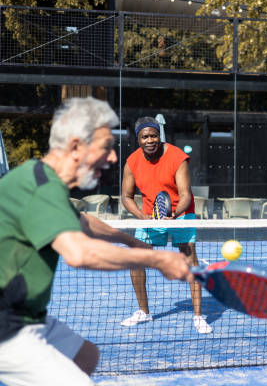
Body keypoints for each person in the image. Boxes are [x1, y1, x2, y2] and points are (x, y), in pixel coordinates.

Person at [0, 97, 194, 385]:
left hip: (29, 315)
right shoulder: (37, 185)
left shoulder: (44, 179)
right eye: (105, 147)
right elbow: (79, 254)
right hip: (7, 325)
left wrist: (127, 239)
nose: (113, 158)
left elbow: (82, 222)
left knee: (86, 356)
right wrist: (155, 258)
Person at [120, 117, 211, 334]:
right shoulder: (132, 162)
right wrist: (142, 217)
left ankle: (198, 316)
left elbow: (185, 195)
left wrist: (174, 214)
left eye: (153, 135)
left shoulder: (177, 157)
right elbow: (126, 196)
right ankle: (144, 311)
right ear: (138, 139)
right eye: (145, 137)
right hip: (150, 216)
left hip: (180, 213)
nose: (150, 140)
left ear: (159, 136)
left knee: (190, 262)